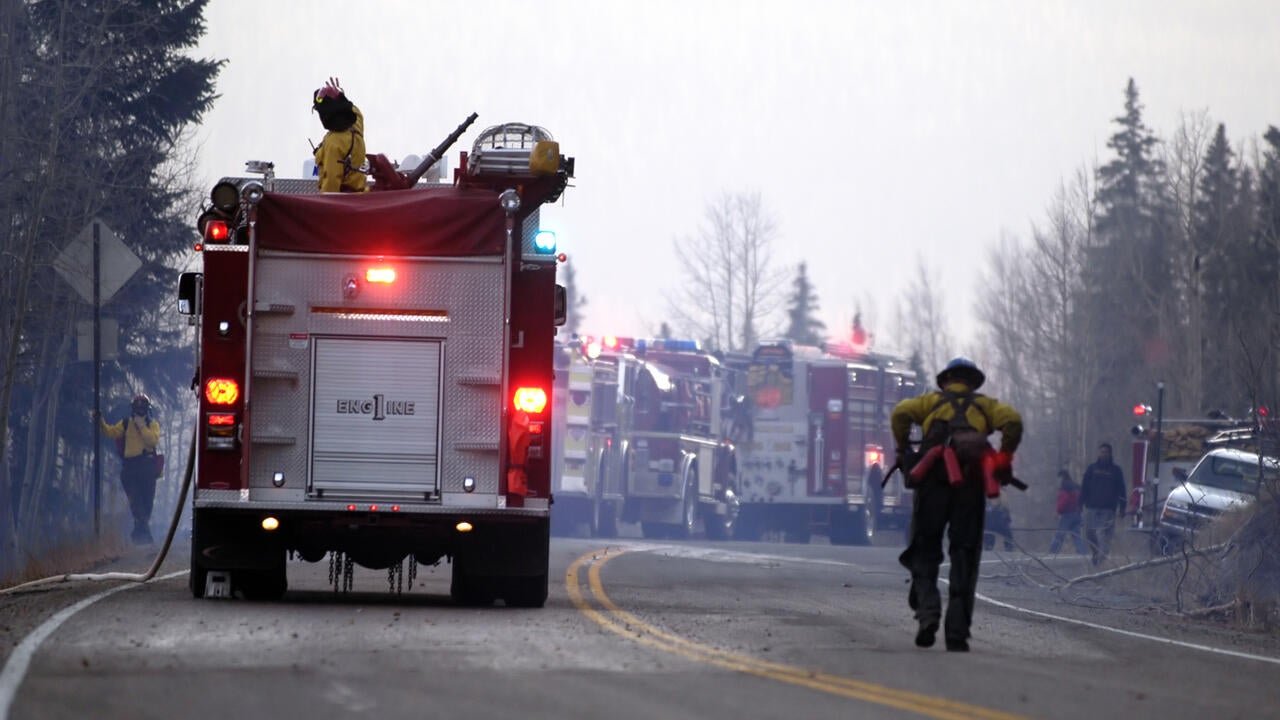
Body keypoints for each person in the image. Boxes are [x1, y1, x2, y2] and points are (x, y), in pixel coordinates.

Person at [893, 357, 1023, 652]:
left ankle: (928, 614)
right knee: (965, 555)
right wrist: (1004, 457)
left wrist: (902, 448)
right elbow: (1013, 421)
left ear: (945, 380)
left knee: (924, 550)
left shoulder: (929, 403)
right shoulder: (987, 407)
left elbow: (900, 413)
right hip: (971, 487)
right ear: (973, 381)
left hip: (932, 484)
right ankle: (957, 633)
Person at [96, 394, 162, 544]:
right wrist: (99, 421)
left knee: (147, 502)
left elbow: (152, 440)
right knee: (135, 501)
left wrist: (142, 426)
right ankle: (143, 533)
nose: (140, 409)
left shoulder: (153, 425)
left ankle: (140, 533)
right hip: (130, 469)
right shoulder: (125, 424)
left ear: (147, 409)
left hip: (148, 468)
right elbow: (110, 432)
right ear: (133, 408)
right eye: (137, 406)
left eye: (142, 406)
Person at [312, 77, 367, 193]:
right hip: (360, 196)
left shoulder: (333, 143)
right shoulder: (357, 123)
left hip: (343, 203)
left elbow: (331, 183)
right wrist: (340, 96)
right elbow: (351, 109)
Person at [1081, 442, 1126, 565]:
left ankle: (1102, 559)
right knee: (1090, 534)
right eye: (1102, 452)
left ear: (1110, 453)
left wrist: (1122, 507)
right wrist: (1079, 504)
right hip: (1091, 508)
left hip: (1108, 510)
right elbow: (1084, 487)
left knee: (1103, 535)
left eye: (1106, 452)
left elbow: (1122, 490)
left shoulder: (1116, 471)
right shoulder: (1092, 469)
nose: (1103, 454)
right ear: (1098, 453)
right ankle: (1096, 552)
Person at [1048, 469, 1088, 555]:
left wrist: (1058, 512)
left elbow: (1063, 500)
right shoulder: (1076, 486)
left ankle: (1052, 553)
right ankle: (1082, 553)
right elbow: (1082, 497)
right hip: (1077, 514)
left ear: (1062, 477)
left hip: (1067, 514)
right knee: (1076, 536)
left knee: (1060, 534)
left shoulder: (1064, 486)